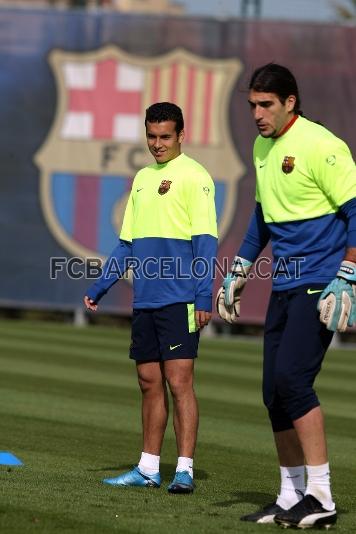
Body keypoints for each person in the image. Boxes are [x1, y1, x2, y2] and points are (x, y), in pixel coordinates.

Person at [216, 63, 356, 528]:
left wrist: (349, 274)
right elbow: (262, 217)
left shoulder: (322, 145)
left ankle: (322, 497)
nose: (257, 114)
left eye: (266, 105)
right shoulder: (262, 146)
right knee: (273, 392)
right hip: (284, 282)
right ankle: (290, 495)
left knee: (294, 381)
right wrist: (239, 269)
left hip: (321, 281)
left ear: (290, 102)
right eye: (252, 104)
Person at [84, 102, 218, 494]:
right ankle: (147, 468)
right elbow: (127, 244)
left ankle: (185, 470)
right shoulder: (141, 179)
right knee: (147, 381)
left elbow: (205, 244)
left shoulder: (196, 177)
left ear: (181, 135)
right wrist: (100, 285)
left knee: (180, 382)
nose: (157, 144)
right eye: (152, 136)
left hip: (181, 300)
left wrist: (203, 296)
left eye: (165, 136)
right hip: (145, 299)